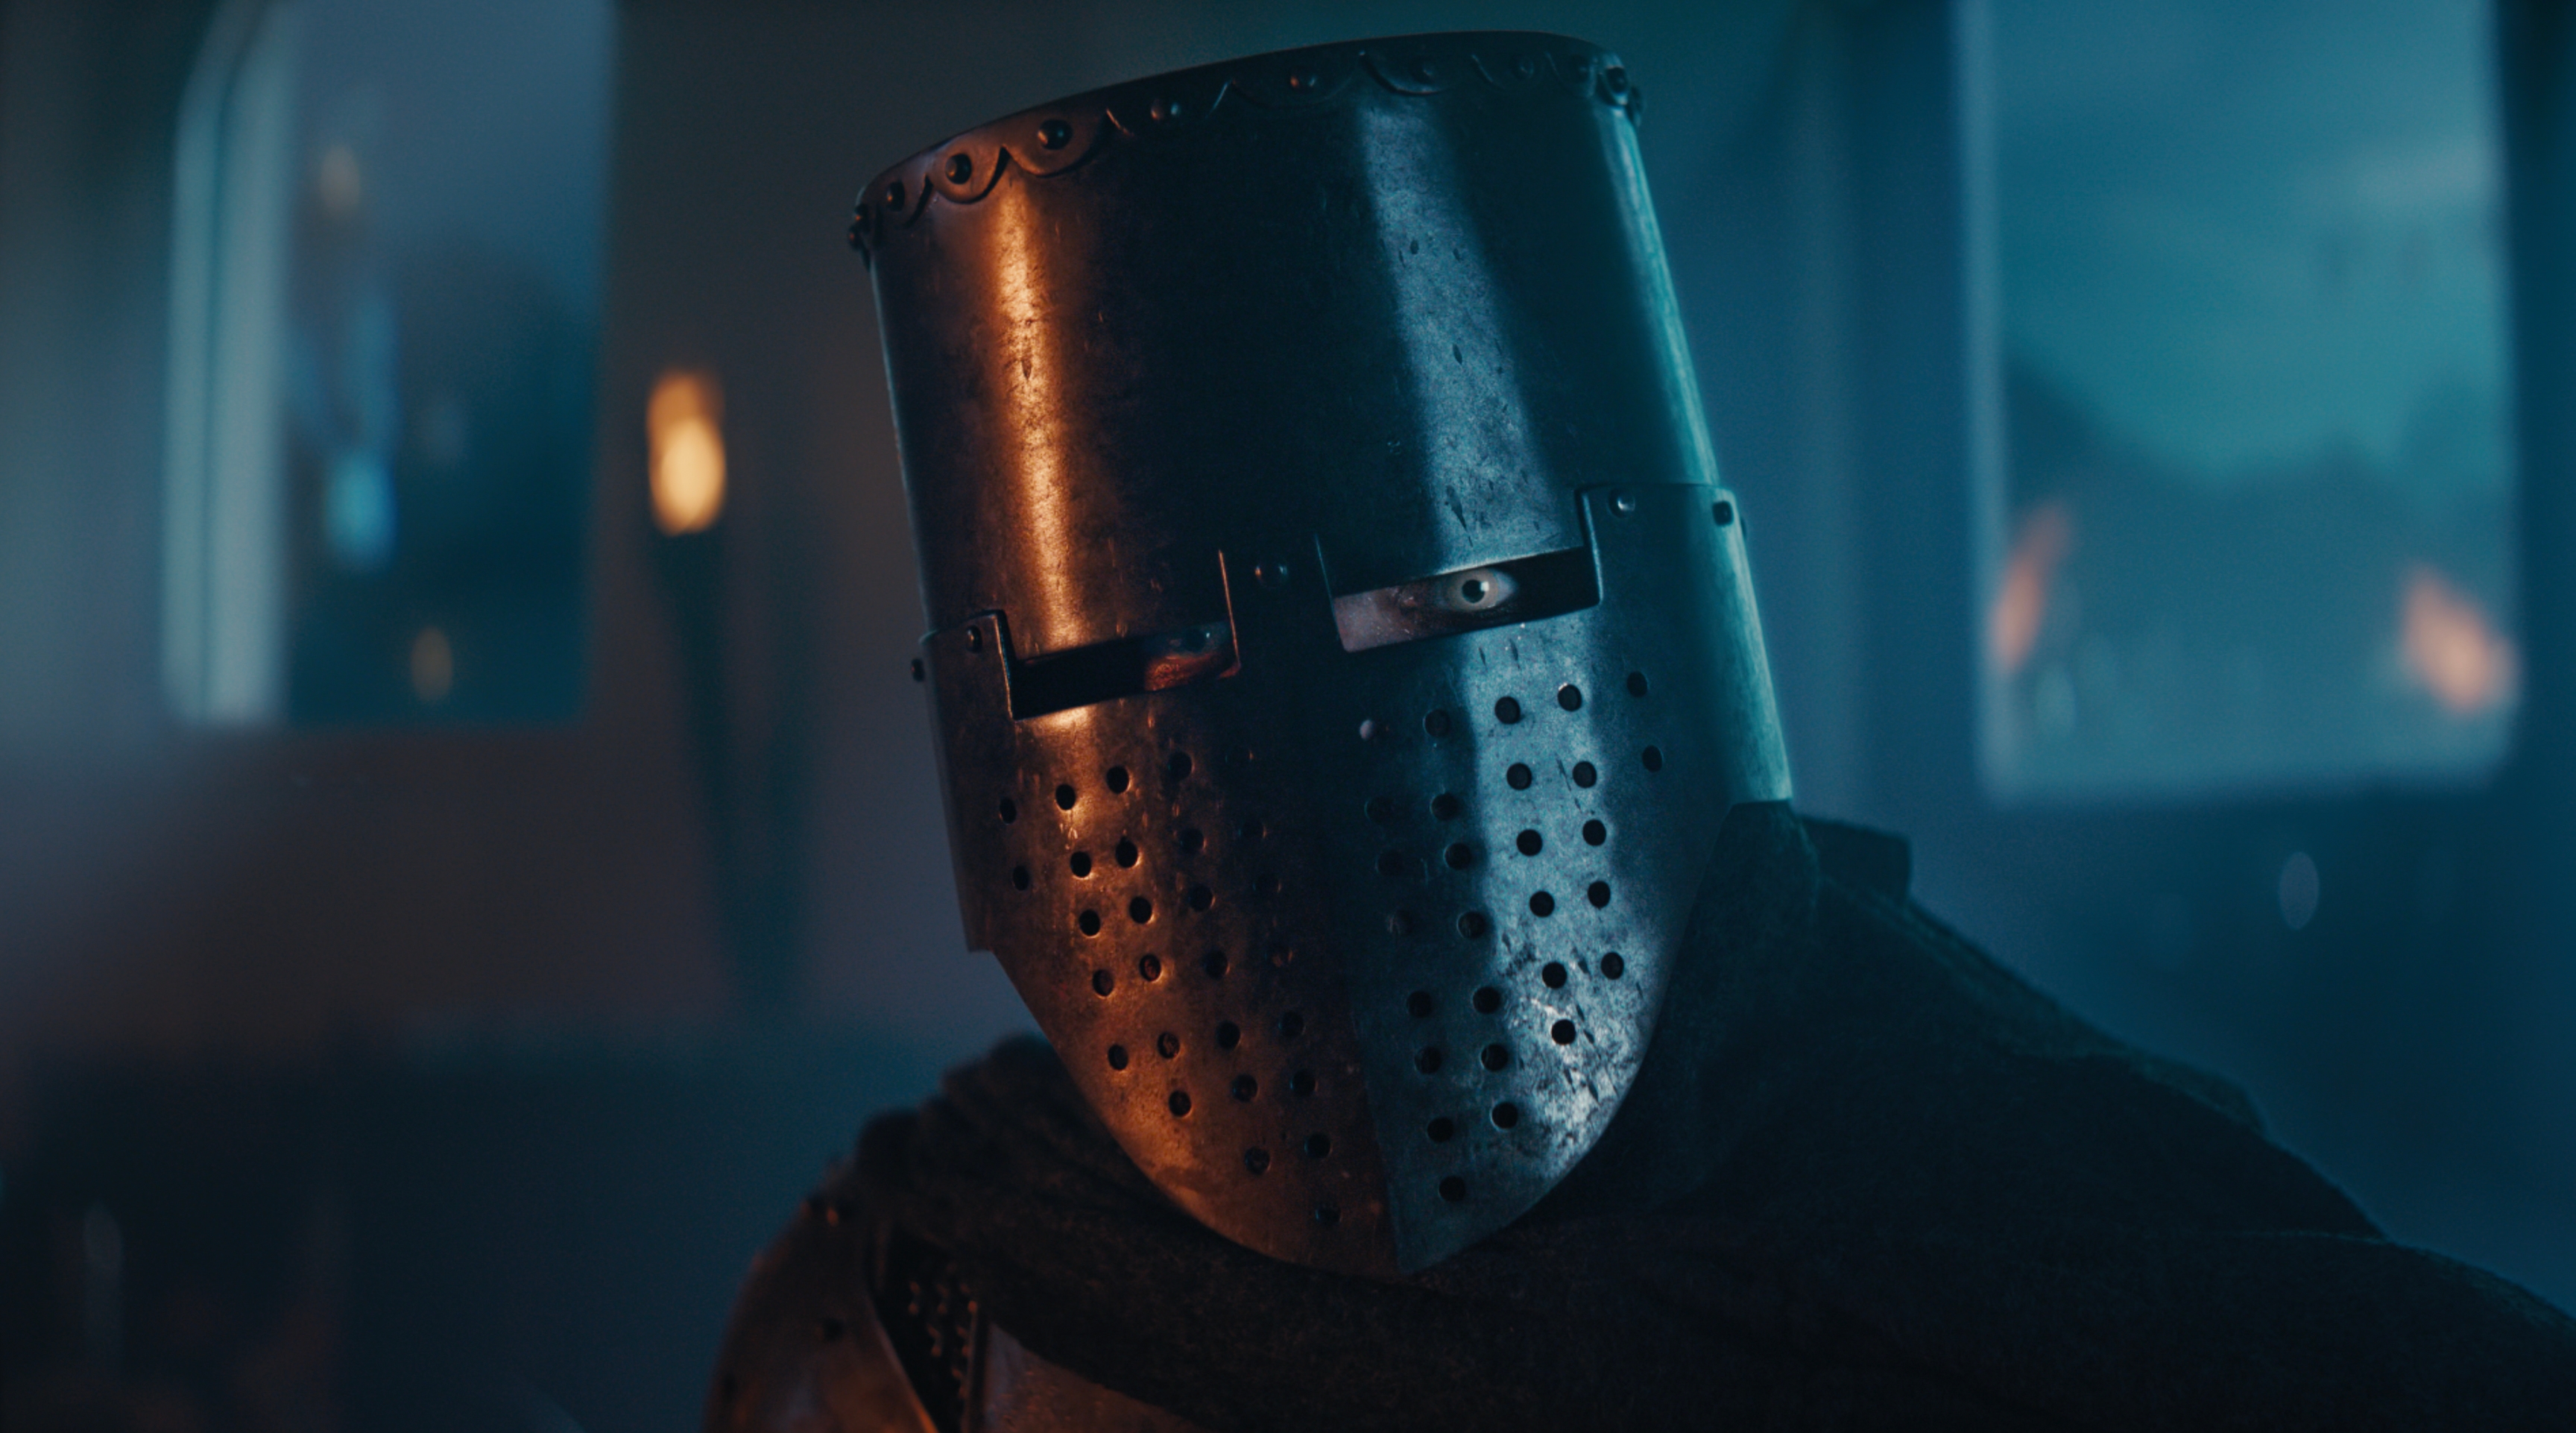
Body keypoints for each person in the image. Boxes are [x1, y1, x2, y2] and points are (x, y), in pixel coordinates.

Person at [704, 32, 2576, 1431]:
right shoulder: (921, 1304)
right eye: (1165, 651)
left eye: (1452, 605)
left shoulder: (2075, 1250)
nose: (1317, 722)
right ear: (998, 704)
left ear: (1643, 582)